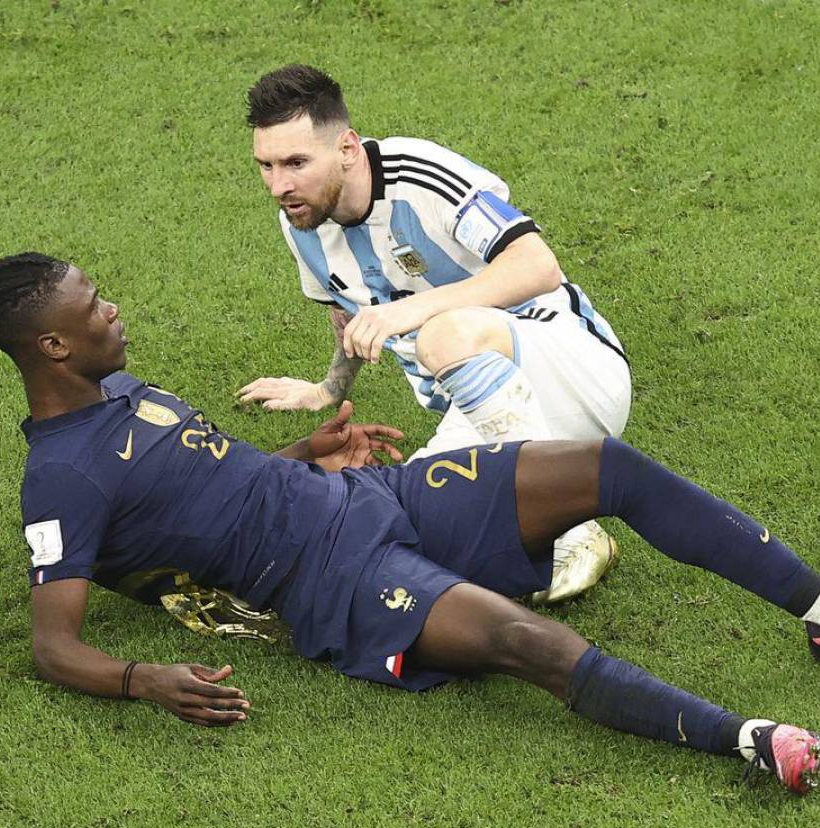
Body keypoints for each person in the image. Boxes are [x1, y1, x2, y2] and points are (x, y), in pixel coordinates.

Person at [0, 253, 820, 796]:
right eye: (94, 306)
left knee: (608, 467)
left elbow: (204, 488)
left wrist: (308, 453)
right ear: (53, 346)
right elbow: (54, 645)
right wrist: (147, 679)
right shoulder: (60, 478)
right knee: (522, 642)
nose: (113, 311)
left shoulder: (118, 389)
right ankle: (750, 740)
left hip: (376, 500)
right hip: (330, 587)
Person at [236, 64, 632, 604]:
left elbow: (538, 266)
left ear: (347, 148)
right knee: (393, 529)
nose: (279, 185)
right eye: (266, 165)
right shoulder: (300, 218)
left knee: (443, 332)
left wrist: (411, 311)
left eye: (296, 163)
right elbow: (346, 314)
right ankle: (531, 520)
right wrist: (329, 389)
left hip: (574, 373)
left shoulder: (419, 174)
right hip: (490, 417)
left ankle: (571, 527)